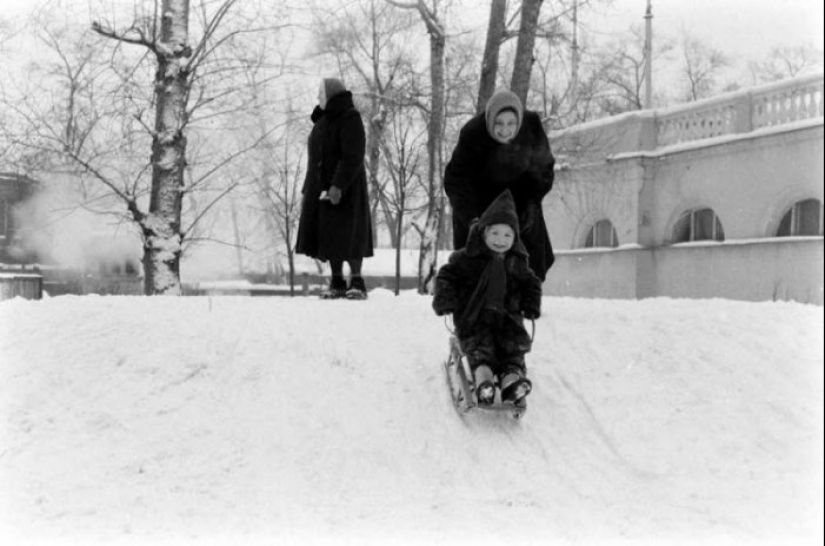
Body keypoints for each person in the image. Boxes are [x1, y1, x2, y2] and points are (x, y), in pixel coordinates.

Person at [432, 189, 542, 406]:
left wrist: (530, 303)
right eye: (495, 234)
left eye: (507, 235)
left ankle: (512, 380)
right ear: (483, 233)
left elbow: (531, 283)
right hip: (475, 317)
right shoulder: (468, 258)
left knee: (512, 349)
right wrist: (446, 298)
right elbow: (447, 275)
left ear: (515, 238)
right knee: (480, 348)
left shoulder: (517, 261)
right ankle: (483, 379)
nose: (501, 241)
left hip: (507, 319)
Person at [444, 88, 555, 281]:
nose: (505, 130)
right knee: (478, 269)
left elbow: (543, 169)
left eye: (511, 123)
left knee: (526, 264)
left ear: (519, 121)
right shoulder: (472, 134)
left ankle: (524, 301)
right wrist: (472, 220)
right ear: (490, 119)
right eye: (499, 123)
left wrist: (531, 203)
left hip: (520, 200)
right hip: (480, 204)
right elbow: (456, 180)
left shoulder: (531, 127)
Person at [296, 78, 374, 299]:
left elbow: (353, 155)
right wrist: (308, 188)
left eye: (320, 94)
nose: (317, 98)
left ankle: (357, 281)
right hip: (321, 189)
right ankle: (337, 281)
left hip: (346, 190)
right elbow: (315, 158)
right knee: (330, 236)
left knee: (350, 235)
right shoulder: (322, 121)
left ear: (331, 95)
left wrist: (338, 185)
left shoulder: (350, 118)